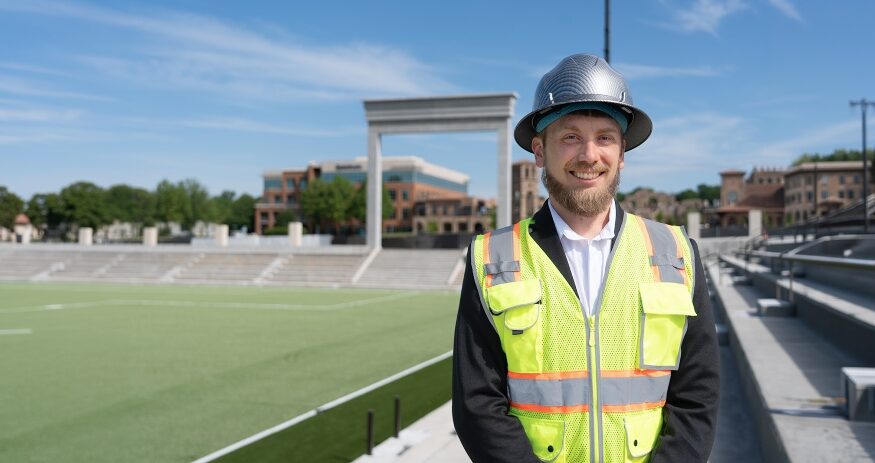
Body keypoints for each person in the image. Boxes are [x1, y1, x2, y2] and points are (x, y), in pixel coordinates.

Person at [452, 53, 719, 463]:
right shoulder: (492, 257)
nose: (589, 155)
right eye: (571, 137)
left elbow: (697, 395)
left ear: (622, 152)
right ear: (539, 151)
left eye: (605, 138)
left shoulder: (675, 253)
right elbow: (476, 403)